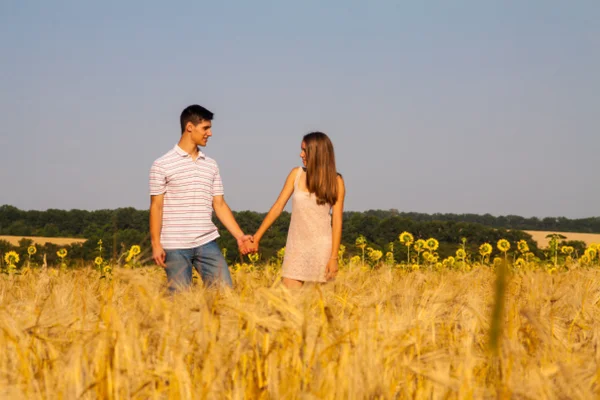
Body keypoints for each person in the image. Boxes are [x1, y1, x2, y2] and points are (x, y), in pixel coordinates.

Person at [149, 105, 253, 291]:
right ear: (190, 127)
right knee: (181, 303)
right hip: (175, 246)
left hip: (207, 242)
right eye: (205, 128)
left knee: (225, 294)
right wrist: (156, 244)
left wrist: (239, 236)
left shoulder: (211, 165)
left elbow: (219, 204)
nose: (210, 133)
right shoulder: (161, 165)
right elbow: (156, 207)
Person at [249, 132, 345, 288]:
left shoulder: (336, 181)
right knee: (290, 305)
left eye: (304, 150)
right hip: (296, 247)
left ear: (317, 153)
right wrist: (257, 237)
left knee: (317, 308)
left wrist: (333, 258)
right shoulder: (296, 174)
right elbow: (278, 207)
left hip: (322, 249)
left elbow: (337, 221)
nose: (300, 154)